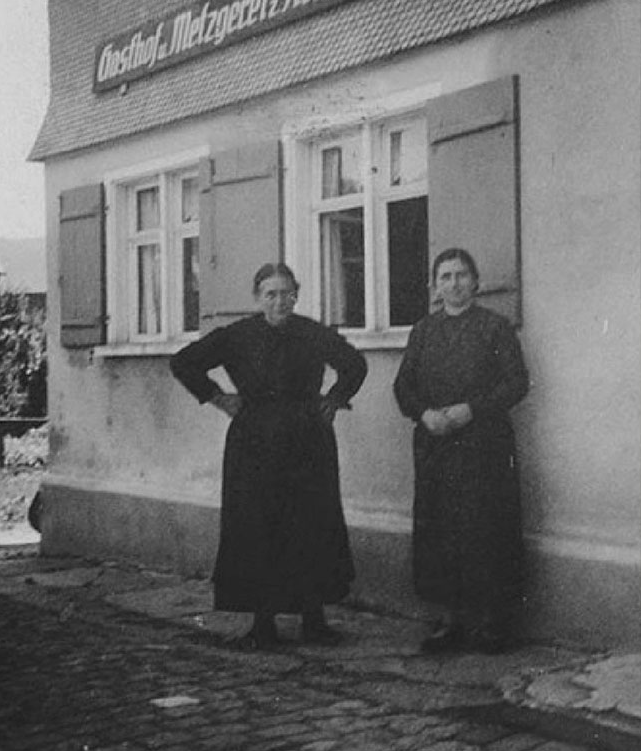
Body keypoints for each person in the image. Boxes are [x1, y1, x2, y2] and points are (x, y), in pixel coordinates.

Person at [170, 262, 367, 649]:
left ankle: (315, 620)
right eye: (271, 294)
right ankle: (263, 624)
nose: (280, 301)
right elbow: (184, 362)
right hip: (255, 442)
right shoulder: (237, 336)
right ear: (258, 298)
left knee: (311, 526)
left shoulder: (313, 333)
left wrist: (334, 400)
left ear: (297, 294)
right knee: (259, 527)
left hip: (307, 440)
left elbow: (354, 365)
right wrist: (217, 397)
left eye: (287, 293)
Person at [393, 248, 529, 654]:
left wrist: (471, 409)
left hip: (483, 446)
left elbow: (516, 383)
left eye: (461, 275)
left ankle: (490, 623)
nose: (454, 284)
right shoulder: (424, 331)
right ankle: (449, 621)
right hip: (436, 448)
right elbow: (403, 387)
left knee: (485, 529)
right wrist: (423, 414)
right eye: (445, 277)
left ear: (476, 282)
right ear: (435, 286)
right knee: (441, 532)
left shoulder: (495, 328)